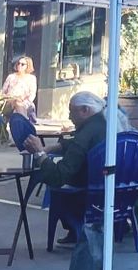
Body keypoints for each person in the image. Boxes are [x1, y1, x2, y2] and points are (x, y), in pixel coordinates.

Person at [23, 91, 107, 245]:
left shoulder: (86, 134)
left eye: (71, 111)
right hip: (111, 185)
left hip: (88, 190)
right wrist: (50, 148)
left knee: (55, 186)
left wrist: (39, 153)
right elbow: (74, 144)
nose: (69, 116)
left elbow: (59, 177)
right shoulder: (104, 123)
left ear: (85, 110)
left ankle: (74, 228)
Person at [0, 54, 38, 121]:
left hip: (24, 101)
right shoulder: (11, 77)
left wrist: (24, 100)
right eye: (18, 63)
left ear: (28, 66)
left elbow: (32, 94)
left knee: (19, 104)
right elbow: (3, 92)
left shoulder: (31, 78)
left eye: (22, 64)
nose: (19, 65)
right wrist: (8, 97)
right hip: (10, 101)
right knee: (16, 102)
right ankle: (24, 122)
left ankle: (22, 122)